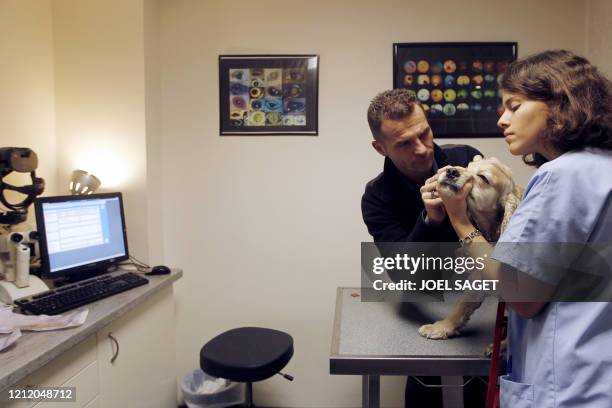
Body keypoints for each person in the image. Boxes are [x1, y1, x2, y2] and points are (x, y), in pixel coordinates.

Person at [435, 50, 612, 407]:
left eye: (514, 106)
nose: (502, 119)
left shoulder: (560, 176)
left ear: (560, 105)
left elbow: (522, 296)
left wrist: (460, 220)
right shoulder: (602, 167)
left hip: (566, 386)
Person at [361, 88, 485, 407]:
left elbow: (504, 234)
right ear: (380, 147)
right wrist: (428, 221)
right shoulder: (376, 197)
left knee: (482, 389)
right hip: (423, 300)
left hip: (484, 297)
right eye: (404, 143)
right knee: (425, 391)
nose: (421, 149)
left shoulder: (466, 158)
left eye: (424, 133)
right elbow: (402, 276)